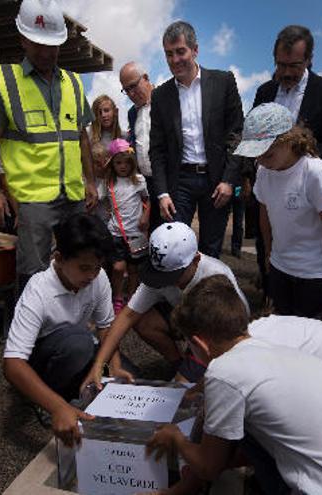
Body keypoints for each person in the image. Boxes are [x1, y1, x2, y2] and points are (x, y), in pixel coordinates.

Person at [144, 275, 322, 495]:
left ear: (200, 343)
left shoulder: (224, 372)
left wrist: (175, 438)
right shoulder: (272, 348)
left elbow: (208, 467)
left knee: (240, 435)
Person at [0, 0, 98, 287]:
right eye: (38, 44)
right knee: (34, 273)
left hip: (73, 194)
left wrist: (90, 181)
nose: (46, 52)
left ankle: (72, 326)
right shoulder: (7, 83)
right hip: (33, 199)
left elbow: (81, 137)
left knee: (78, 264)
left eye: (53, 45)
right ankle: (33, 330)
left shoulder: (72, 83)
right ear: (23, 39)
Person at [3, 213, 127, 447]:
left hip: (73, 350)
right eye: (84, 268)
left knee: (125, 375)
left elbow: (106, 327)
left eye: (97, 268)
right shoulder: (38, 290)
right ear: (59, 258)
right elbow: (12, 364)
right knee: (78, 342)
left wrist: (115, 367)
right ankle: (47, 400)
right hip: (42, 360)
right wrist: (58, 407)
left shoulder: (97, 277)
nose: (91, 275)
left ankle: (74, 394)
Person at [81, 222, 248, 387]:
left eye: (173, 276)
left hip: (216, 335)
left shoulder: (217, 277)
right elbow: (127, 315)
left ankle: (191, 369)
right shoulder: (159, 275)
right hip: (187, 323)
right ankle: (178, 363)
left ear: (195, 260)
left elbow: (232, 338)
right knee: (142, 319)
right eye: (161, 276)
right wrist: (99, 364)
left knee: (184, 392)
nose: (167, 283)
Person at [235, 103, 322, 319]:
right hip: (280, 266)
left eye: (267, 154)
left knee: (310, 330)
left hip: (314, 273)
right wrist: (267, 253)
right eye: (256, 155)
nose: (260, 160)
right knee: (281, 324)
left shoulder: (315, 172)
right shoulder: (265, 171)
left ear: (290, 141)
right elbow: (264, 214)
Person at [149, 21, 244, 259]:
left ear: (195, 50)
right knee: (174, 248)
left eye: (180, 51)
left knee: (211, 249)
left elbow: (237, 135)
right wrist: (162, 193)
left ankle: (206, 295)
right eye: (168, 54)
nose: (174, 60)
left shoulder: (223, 82)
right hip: (179, 182)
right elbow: (157, 149)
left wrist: (229, 180)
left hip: (217, 182)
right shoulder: (160, 96)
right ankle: (178, 296)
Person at [251, 25, 322, 162]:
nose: (286, 73)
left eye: (294, 66)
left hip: (305, 179)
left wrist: (297, 162)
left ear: (308, 60)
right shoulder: (264, 91)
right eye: (281, 65)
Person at [102, 139, 150, 315]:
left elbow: (147, 200)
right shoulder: (109, 183)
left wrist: (145, 216)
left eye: (126, 162)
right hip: (115, 233)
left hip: (136, 234)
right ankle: (117, 296)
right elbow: (100, 200)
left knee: (133, 269)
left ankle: (131, 296)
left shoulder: (139, 180)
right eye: (118, 162)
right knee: (117, 268)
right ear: (112, 164)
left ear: (132, 163)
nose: (122, 166)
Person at [120, 61, 160, 232]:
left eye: (133, 87)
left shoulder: (165, 101)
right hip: (146, 182)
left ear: (145, 78)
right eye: (126, 90)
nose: (130, 93)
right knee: (151, 230)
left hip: (168, 179)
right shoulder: (132, 113)